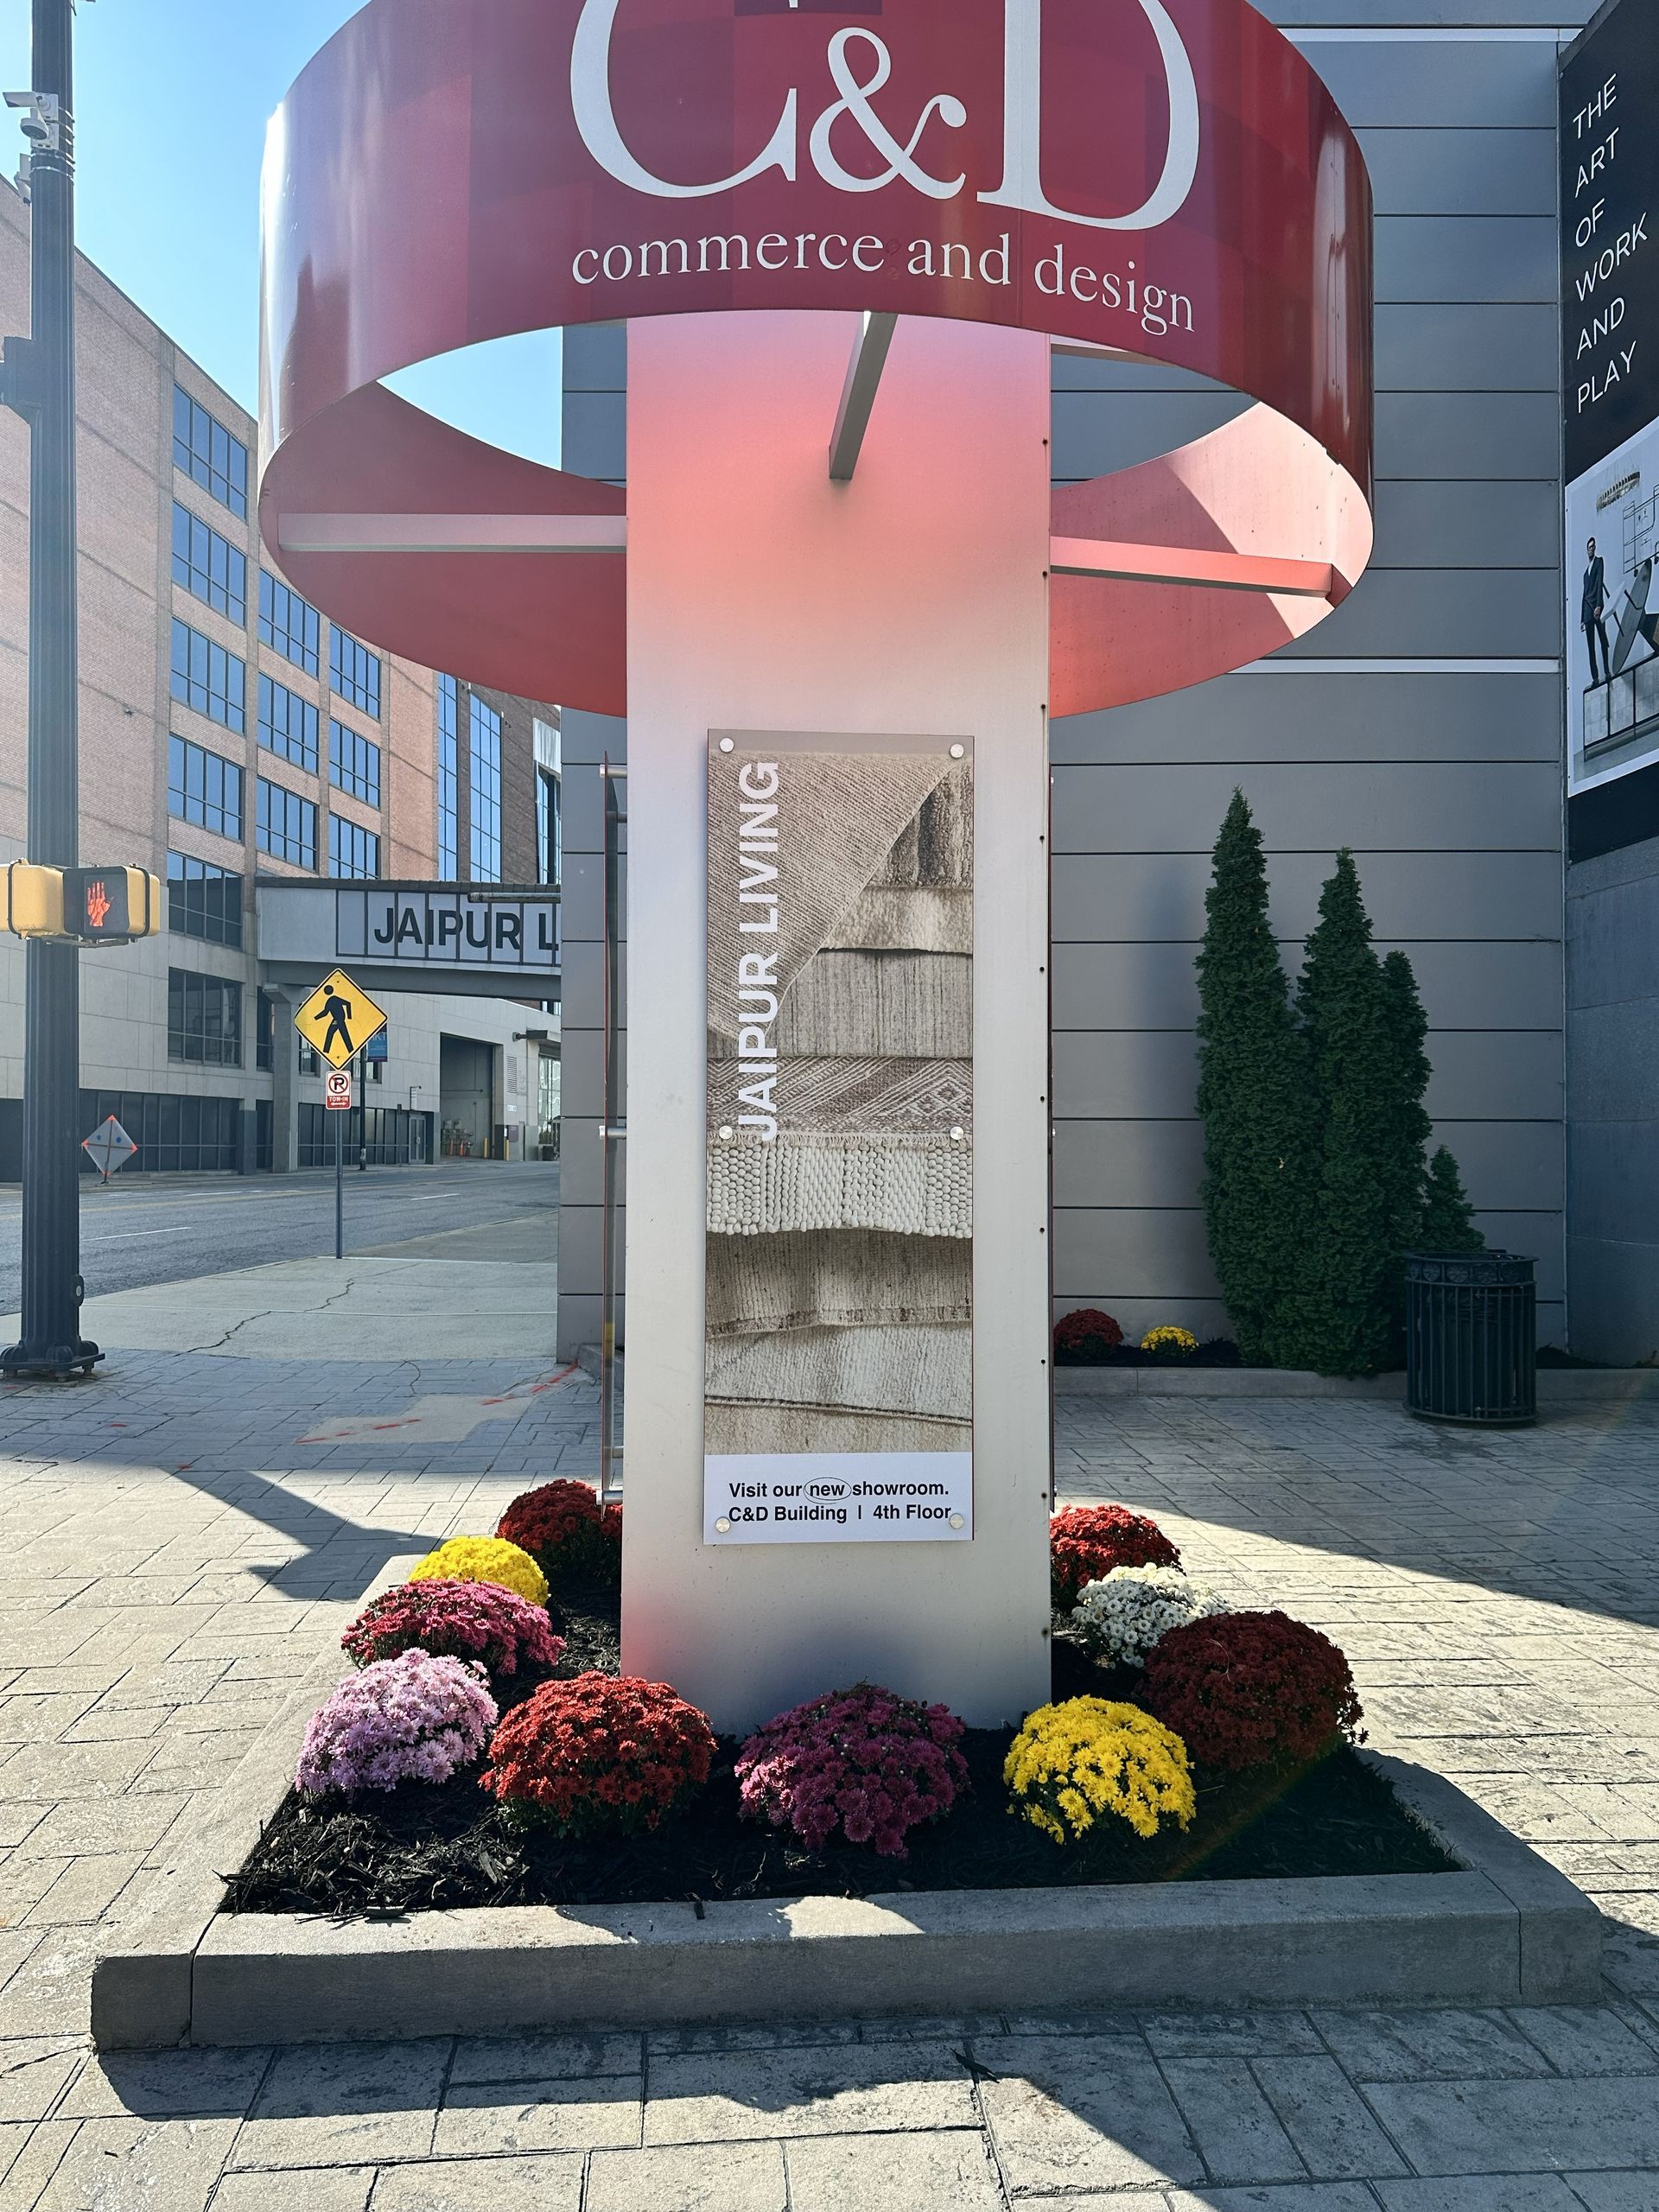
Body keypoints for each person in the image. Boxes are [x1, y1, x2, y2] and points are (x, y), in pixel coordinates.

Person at [1582, 537, 1611, 686]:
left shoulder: (1599, 562)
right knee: (1590, 646)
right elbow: (1583, 595)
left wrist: (1599, 605)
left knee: (1603, 641)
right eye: (1589, 547)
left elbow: (1600, 583)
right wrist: (1582, 619)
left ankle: (1607, 671)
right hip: (1587, 612)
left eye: (1593, 547)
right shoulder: (1585, 574)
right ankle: (1595, 677)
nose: (1591, 549)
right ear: (1586, 550)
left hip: (1597, 608)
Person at [320, 988, 354, 1059]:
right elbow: (325, 1013)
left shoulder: (333, 999)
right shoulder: (330, 1001)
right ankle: (350, 1049)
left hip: (338, 1020)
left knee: (331, 1034)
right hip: (337, 1020)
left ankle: (326, 1050)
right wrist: (315, 1018)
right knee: (344, 1035)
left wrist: (349, 1017)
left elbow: (348, 1004)